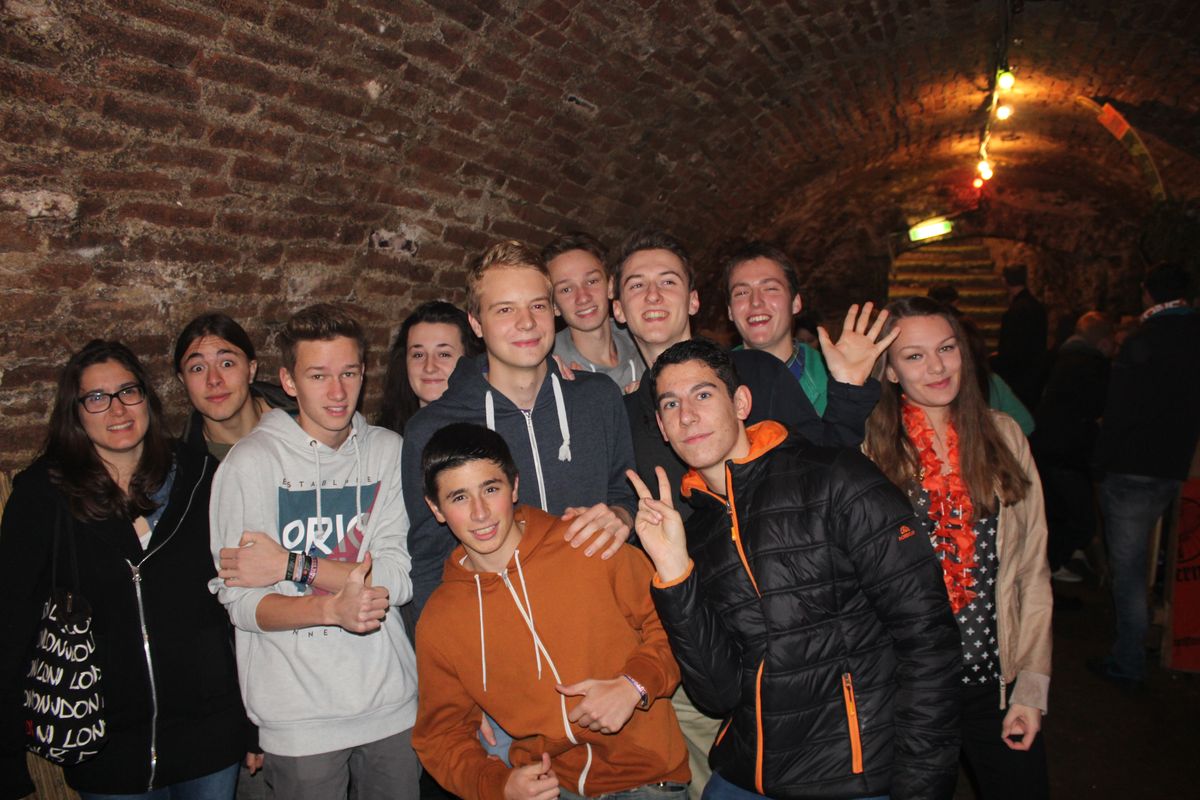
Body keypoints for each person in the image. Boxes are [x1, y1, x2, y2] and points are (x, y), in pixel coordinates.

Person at [631, 338, 962, 799]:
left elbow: (928, 639)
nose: (687, 416)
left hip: (854, 773)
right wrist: (674, 573)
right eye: (671, 404)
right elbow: (717, 694)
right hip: (749, 773)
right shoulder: (696, 534)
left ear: (740, 403)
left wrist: (920, 785)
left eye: (703, 394)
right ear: (663, 430)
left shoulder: (835, 478)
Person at [1, 340, 246, 799]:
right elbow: (12, 622)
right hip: (104, 743)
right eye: (97, 397)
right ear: (75, 412)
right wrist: (7, 756)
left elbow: (239, 602)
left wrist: (253, 724)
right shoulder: (43, 497)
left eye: (128, 391)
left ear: (146, 397)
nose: (117, 409)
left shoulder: (202, 477)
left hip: (209, 733)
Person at [209, 304, 420, 800]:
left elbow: (397, 578)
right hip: (298, 718)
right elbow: (243, 606)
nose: (338, 392)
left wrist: (290, 565)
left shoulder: (388, 451)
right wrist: (330, 608)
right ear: (289, 381)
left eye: (349, 373)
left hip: (391, 704)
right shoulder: (248, 466)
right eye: (319, 375)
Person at [412, 423, 689, 799]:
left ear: (514, 486)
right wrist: (499, 785)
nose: (480, 513)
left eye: (491, 489)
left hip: (646, 778)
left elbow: (678, 625)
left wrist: (634, 684)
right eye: (459, 497)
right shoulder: (440, 619)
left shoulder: (586, 542)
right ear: (436, 509)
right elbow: (440, 737)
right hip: (550, 787)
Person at [863, 297, 1053, 798]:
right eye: (915, 355)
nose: (937, 367)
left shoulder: (1005, 435)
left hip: (995, 681)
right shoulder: (871, 449)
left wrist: (1031, 690)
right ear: (890, 370)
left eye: (946, 348)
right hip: (909, 690)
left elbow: (1032, 571)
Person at [401, 240, 638, 625]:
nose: (527, 322)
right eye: (505, 309)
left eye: (538, 306)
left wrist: (620, 517)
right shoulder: (431, 429)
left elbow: (625, 493)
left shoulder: (598, 399)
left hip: (603, 619)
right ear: (476, 323)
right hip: (498, 631)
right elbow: (429, 558)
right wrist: (443, 648)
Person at [1092, 263, 1200, 689]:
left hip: (1132, 467)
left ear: (1147, 292)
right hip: (1176, 464)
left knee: (1130, 571)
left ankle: (1128, 660)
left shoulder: (1142, 341)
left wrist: (1100, 462)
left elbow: (1120, 411)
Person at [1032, 311, 1114, 579]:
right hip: (1069, 453)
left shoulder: (1056, 357)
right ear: (1104, 342)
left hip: (1046, 447)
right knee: (1081, 520)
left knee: (1058, 513)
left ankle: (1052, 564)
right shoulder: (1094, 366)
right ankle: (1052, 564)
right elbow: (1098, 408)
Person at [722, 241, 832, 413]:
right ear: (730, 311)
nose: (756, 302)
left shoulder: (833, 379)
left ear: (795, 303)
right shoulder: (714, 382)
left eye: (770, 289)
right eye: (742, 292)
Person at [175, 312, 296, 462]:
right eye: (198, 368)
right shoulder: (183, 469)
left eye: (227, 364)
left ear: (251, 370)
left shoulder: (306, 421)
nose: (214, 380)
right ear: (183, 380)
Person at [544, 231, 644, 390]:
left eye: (592, 281)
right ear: (554, 306)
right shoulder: (548, 367)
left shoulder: (642, 339)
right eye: (566, 289)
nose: (583, 297)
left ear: (610, 286)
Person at [377, 300, 481, 435]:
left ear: (470, 358)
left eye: (444, 354)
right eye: (418, 355)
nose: (429, 367)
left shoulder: (492, 432)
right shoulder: (387, 439)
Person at [993, 264, 1048, 409]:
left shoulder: (1016, 310)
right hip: (1035, 372)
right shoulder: (1036, 306)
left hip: (1018, 376)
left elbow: (1010, 348)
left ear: (1005, 281)